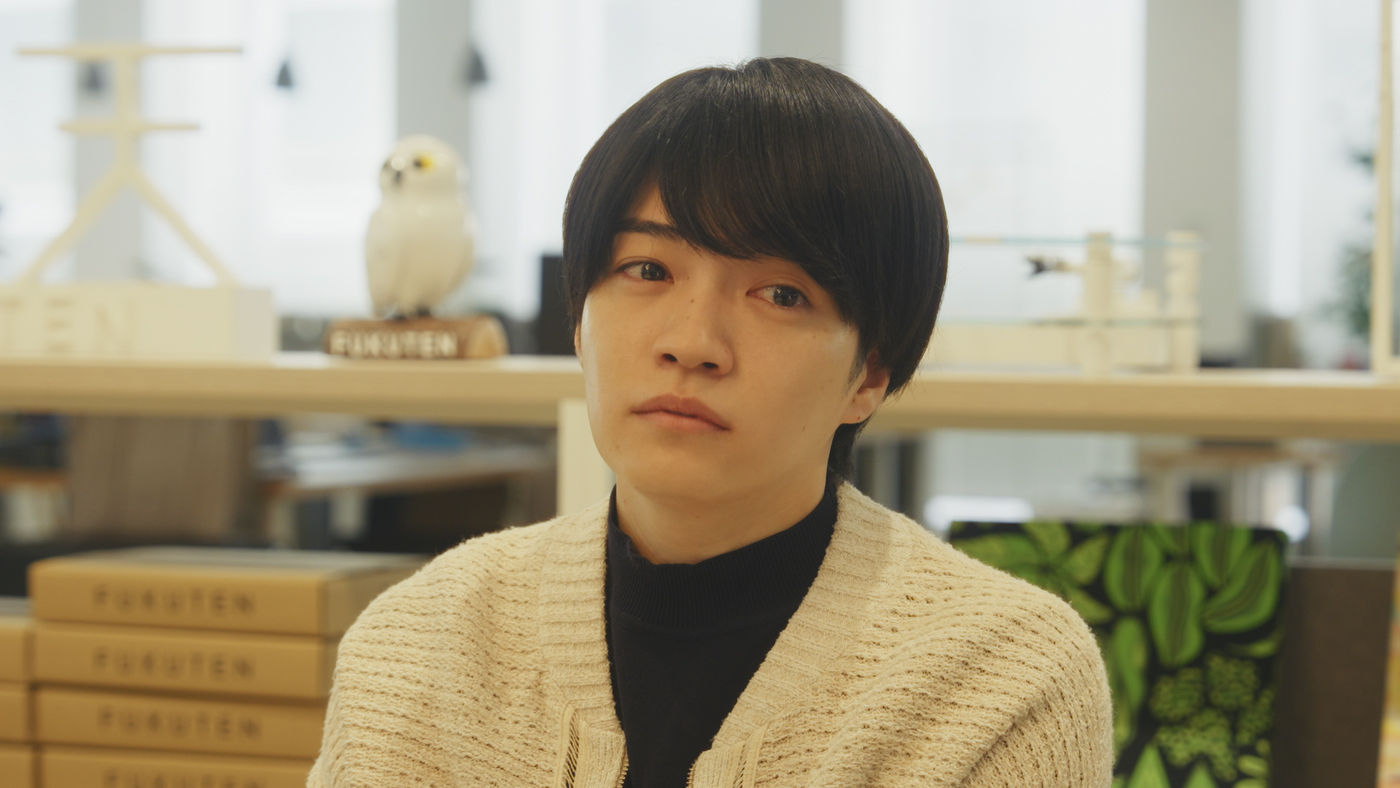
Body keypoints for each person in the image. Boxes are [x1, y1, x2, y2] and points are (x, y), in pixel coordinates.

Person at [309, 58, 1112, 788]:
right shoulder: (421, 644)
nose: (692, 343)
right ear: (580, 324)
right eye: (647, 269)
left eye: (781, 294)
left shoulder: (1002, 678)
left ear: (869, 374)